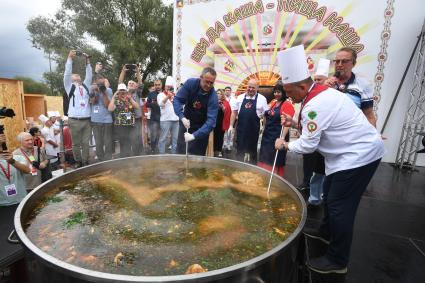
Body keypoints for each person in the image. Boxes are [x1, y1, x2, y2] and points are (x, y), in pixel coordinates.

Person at [275, 45, 385, 274]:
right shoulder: (317, 94)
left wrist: (285, 144)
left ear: (303, 86)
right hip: (344, 155)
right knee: (329, 192)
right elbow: (320, 126)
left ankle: (337, 260)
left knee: (339, 207)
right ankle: (325, 233)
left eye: (290, 91)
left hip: (358, 157)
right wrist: (295, 124)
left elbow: (308, 145)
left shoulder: (316, 103)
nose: (288, 96)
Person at [325, 47, 376, 127]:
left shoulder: (363, 85)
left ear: (353, 63)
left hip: (351, 135)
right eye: (337, 61)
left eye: (344, 61)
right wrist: (323, 89)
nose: (339, 65)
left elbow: (369, 116)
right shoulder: (325, 83)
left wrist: (374, 135)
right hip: (327, 134)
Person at [173, 67, 219, 156]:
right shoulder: (191, 83)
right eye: (207, 81)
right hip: (186, 123)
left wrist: (194, 136)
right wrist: (182, 117)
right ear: (201, 77)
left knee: (197, 158)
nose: (209, 85)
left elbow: (211, 122)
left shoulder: (213, 97)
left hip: (201, 129)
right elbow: (177, 100)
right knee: (181, 154)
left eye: (211, 83)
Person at [63, 50, 93, 168]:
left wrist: (87, 61)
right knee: (76, 144)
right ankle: (78, 162)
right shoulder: (69, 86)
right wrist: (70, 58)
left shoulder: (86, 86)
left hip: (86, 120)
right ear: (71, 79)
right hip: (74, 120)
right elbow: (67, 72)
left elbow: (89, 74)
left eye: (77, 75)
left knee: (86, 143)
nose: (76, 75)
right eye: (74, 75)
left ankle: (85, 161)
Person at [257, 83, 294, 177]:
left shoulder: (287, 105)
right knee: (265, 157)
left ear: (284, 93)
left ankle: (274, 178)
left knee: (274, 159)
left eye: (279, 92)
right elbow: (266, 115)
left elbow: (287, 124)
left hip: (277, 136)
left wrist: (282, 138)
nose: (276, 94)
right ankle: (263, 176)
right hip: (267, 136)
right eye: (275, 92)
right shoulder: (273, 102)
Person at [229, 79, 268, 164]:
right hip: (240, 130)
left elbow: (265, 115)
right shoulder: (240, 98)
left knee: (252, 152)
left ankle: (252, 169)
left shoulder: (262, 99)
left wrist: (264, 128)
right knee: (239, 151)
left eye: (253, 88)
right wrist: (231, 126)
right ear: (247, 87)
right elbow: (234, 112)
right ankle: (238, 168)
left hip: (253, 130)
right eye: (249, 87)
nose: (250, 89)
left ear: (257, 88)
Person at [118, 64, 144, 155]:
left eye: (133, 83)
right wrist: (123, 71)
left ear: (136, 87)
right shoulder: (123, 92)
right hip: (126, 119)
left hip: (136, 119)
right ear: (127, 86)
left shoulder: (138, 93)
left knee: (137, 139)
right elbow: (120, 83)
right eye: (129, 83)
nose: (131, 84)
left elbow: (140, 83)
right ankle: (126, 157)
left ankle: (138, 157)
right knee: (126, 139)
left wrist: (137, 71)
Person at [108, 83, 140, 158]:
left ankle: (130, 158)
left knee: (131, 142)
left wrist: (130, 98)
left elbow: (137, 107)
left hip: (130, 125)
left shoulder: (129, 99)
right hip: (121, 126)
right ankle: (124, 159)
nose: (122, 93)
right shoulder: (116, 100)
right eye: (120, 91)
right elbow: (110, 109)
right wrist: (113, 97)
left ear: (126, 91)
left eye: (124, 91)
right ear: (118, 92)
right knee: (123, 144)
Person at [0, 133, 30, 206]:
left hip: (22, 200)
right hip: (3, 204)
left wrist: (12, 161)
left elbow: (27, 170)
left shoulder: (17, 158)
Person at [89, 76, 113, 162]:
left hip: (107, 121)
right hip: (95, 121)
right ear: (95, 83)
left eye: (102, 84)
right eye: (99, 84)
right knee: (98, 143)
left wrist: (104, 92)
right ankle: (101, 160)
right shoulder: (92, 90)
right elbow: (93, 102)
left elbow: (107, 105)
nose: (100, 85)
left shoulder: (109, 90)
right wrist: (95, 91)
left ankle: (108, 160)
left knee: (108, 142)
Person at [157, 76, 179, 154]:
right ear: (165, 86)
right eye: (167, 86)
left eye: (171, 87)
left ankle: (174, 156)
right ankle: (161, 156)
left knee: (175, 139)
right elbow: (161, 104)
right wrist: (168, 97)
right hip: (165, 120)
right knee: (163, 139)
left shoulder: (176, 95)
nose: (169, 88)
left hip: (176, 120)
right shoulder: (161, 95)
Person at [213, 89, 231, 157]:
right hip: (213, 123)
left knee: (220, 137)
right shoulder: (213, 101)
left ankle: (219, 150)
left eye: (220, 93)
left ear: (222, 95)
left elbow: (227, 112)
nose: (218, 95)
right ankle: (213, 150)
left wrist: (222, 107)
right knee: (214, 137)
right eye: (217, 93)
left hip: (221, 123)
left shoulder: (225, 102)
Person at [146, 79, 162, 153]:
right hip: (154, 118)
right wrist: (152, 103)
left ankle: (159, 150)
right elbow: (147, 104)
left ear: (161, 85)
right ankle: (153, 150)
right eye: (156, 85)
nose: (157, 86)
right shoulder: (151, 94)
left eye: (158, 85)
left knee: (161, 136)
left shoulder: (164, 93)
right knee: (154, 136)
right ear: (154, 85)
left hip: (163, 118)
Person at [222, 86, 234, 152]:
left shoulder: (234, 99)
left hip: (231, 117)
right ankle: (224, 144)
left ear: (231, 91)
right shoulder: (222, 99)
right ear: (224, 91)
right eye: (226, 90)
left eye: (229, 90)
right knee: (224, 131)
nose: (227, 91)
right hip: (223, 117)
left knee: (230, 131)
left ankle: (229, 145)